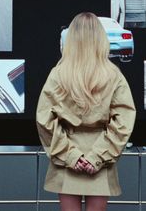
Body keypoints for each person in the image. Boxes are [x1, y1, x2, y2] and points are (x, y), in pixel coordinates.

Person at [36, 12, 136, 211]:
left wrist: (71, 156)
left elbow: (44, 120)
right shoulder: (113, 74)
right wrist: (97, 156)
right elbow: (124, 120)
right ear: (100, 38)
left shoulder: (58, 74)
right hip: (100, 154)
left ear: (71, 38)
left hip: (66, 158)